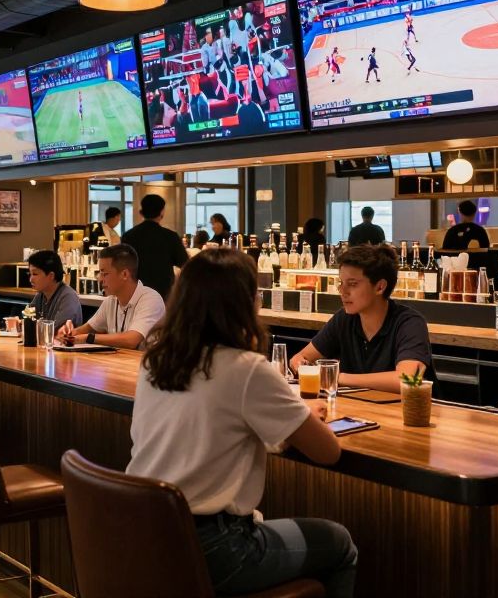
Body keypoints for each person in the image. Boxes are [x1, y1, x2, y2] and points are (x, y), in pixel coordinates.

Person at [128, 249, 356, 597]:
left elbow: (215, 425)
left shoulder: (155, 362)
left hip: (145, 535)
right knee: (339, 543)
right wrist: (303, 419)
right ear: (247, 303)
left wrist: (286, 423)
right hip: (216, 548)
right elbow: (328, 451)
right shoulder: (246, 368)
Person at [290, 244, 433, 393]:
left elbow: (407, 380)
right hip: (357, 409)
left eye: (352, 284)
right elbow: (301, 356)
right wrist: (299, 363)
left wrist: (336, 377)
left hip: (407, 413)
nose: (343, 291)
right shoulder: (344, 319)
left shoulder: (409, 323)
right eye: (341, 283)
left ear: (380, 287)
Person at [58, 244, 165, 351]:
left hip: (147, 366)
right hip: (121, 365)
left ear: (124, 274)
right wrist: (69, 333)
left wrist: (89, 338)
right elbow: (87, 329)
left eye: (104, 274)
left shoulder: (151, 299)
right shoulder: (111, 301)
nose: (100, 279)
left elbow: (131, 340)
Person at [121, 194, 189, 300]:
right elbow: (185, 263)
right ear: (162, 212)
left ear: (142, 212)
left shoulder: (128, 236)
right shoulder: (170, 236)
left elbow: (122, 265)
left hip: (135, 293)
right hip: (163, 294)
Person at [27, 250, 82, 328]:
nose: (31, 279)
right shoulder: (40, 295)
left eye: (35, 274)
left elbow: (55, 330)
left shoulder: (68, 297)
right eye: (30, 274)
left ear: (51, 276)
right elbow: (28, 319)